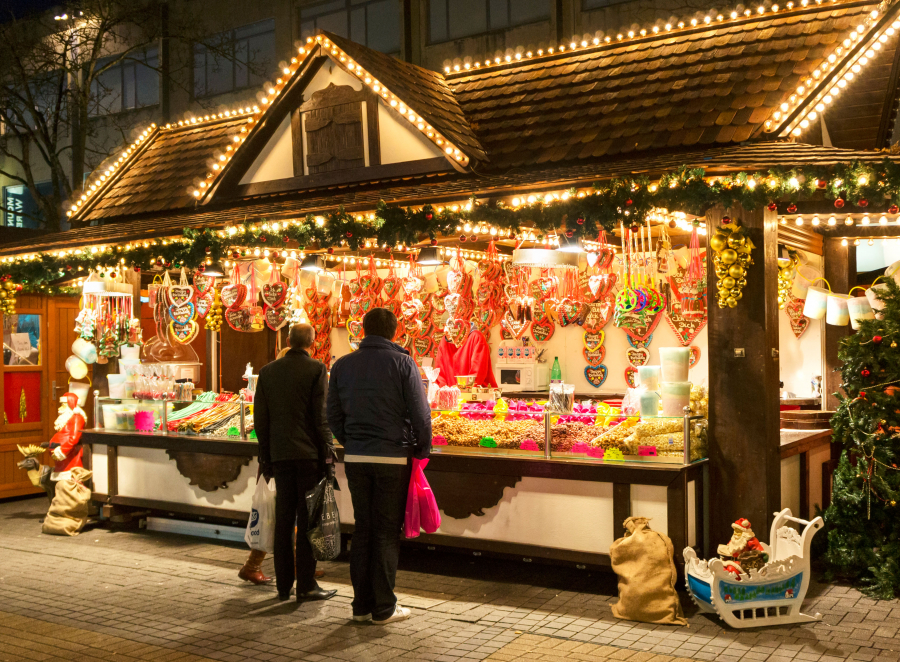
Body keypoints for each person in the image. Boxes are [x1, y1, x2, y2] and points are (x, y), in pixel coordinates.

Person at [327, 308, 431, 624]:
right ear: (394, 332)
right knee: (386, 531)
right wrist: (421, 450)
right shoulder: (403, 363)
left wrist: (352, 441)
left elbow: (332, 414)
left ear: (363, 331)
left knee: (363, 530)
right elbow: (420, 413)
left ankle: (361, 607)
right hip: (392, 457)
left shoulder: (342, 365)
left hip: (357, 458)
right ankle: (384, 608)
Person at [256, 324, 336, 602]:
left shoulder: (267, 372)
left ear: (288, 340)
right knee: (308, 522)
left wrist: (266, 457)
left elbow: (261, 421)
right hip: (308, 457)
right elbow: (320, 416)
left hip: (280, 456)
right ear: (312, 343)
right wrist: (328, 453)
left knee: (283, 521)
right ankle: (306, 585)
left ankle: (282, 587)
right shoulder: (317, 369)